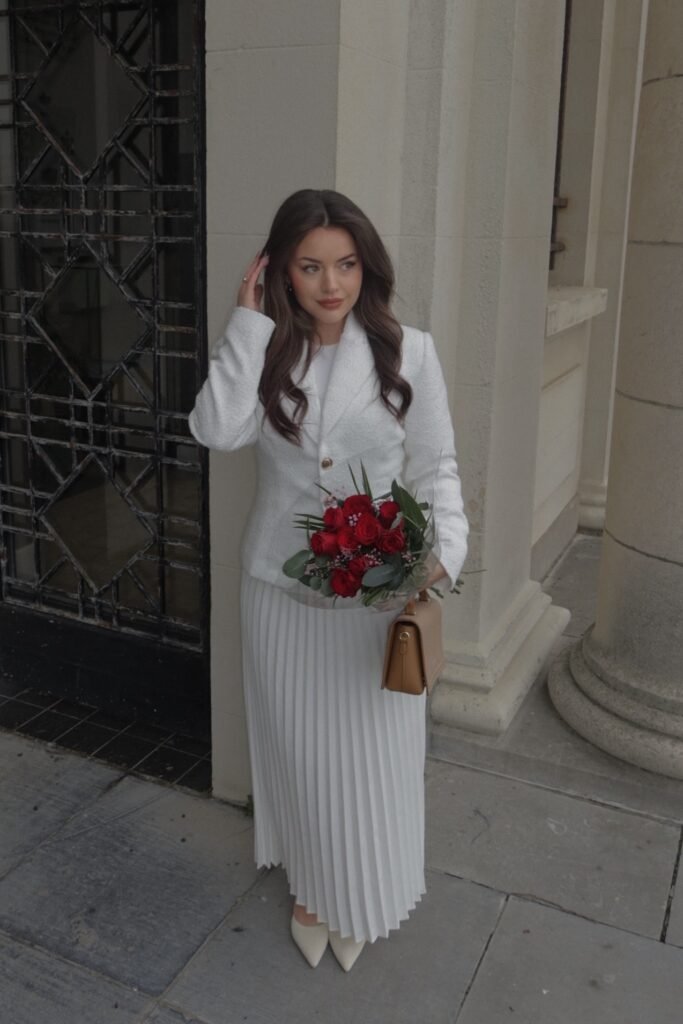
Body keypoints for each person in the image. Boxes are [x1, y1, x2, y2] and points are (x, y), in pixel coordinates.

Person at [188, 189, 468, 972]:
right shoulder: (267, 349)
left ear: (365, 266)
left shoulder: (409, 351)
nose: (330, 283)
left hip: (372, 597)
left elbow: (436, 467)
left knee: (372, 758)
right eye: (310, 266)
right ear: (281, 271)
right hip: (279, 591)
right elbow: (215, 430)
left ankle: (369, 891)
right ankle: (313, 886)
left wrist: (444, 554)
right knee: (299, 752)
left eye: (344, 264)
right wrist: (246, 324)